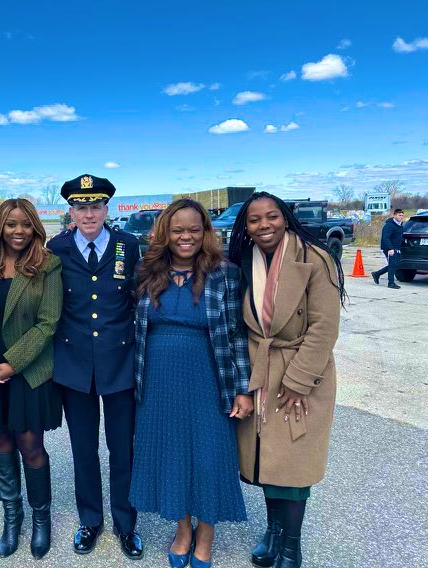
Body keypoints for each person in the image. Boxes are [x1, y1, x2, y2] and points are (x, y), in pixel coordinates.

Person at [130, 199, 252, 568]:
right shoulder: (146, 271)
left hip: (208, 379)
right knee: (171, 454)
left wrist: (244, 388)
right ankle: (183, 529)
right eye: (178, 230)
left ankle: (206, 535)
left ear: (205, 233)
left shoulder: (225, 273)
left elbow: (237, 333)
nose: (186, 237)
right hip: (157, 380)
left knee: (210, 455)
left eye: (194, 230)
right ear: (166, 233)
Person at [228, 192, 346, 568]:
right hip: (260, 371)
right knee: (268, 460)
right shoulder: (245, 261)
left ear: (285, 218)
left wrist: (298, 380)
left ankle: (292, 548)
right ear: (245, 227)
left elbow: (324, 326)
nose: (264, 226)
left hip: (300, 374)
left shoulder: (315, 258)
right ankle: (274, 532)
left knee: (293, 462)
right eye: (254, 220)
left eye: (272, 217)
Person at [47, 174, 144, 560]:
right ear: (70, 211)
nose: (89, 214)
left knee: (123, 449)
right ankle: (90, 519)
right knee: (83, 449)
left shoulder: (128, 246)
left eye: (96, 206)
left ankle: (125, 523)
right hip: (74, 366)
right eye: (81, 207)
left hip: (119, 363)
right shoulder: (55, 249)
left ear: (107, 209)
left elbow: (141, 299)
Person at [0, 199, 63, 560]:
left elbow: (49, 322)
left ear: (35, 227)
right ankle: (12, 517)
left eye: (25, 224)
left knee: (29, 442)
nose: (18, 231)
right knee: (1, 437)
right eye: (11, 224)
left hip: (27, 369)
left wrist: (12, 364)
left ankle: (40, 519)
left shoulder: (47, 265)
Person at [371, 208, 405, 289]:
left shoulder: (399, 225)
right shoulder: (389, 225)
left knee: (394, 264)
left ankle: (377, 274)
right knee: (392, 265)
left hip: (396, 248)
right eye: (399, 215)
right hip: (389, 248)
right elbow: (385, 238)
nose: (401, 217)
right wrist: (390, 248)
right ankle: (391, 283)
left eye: (402, 215)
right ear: (394, 215)